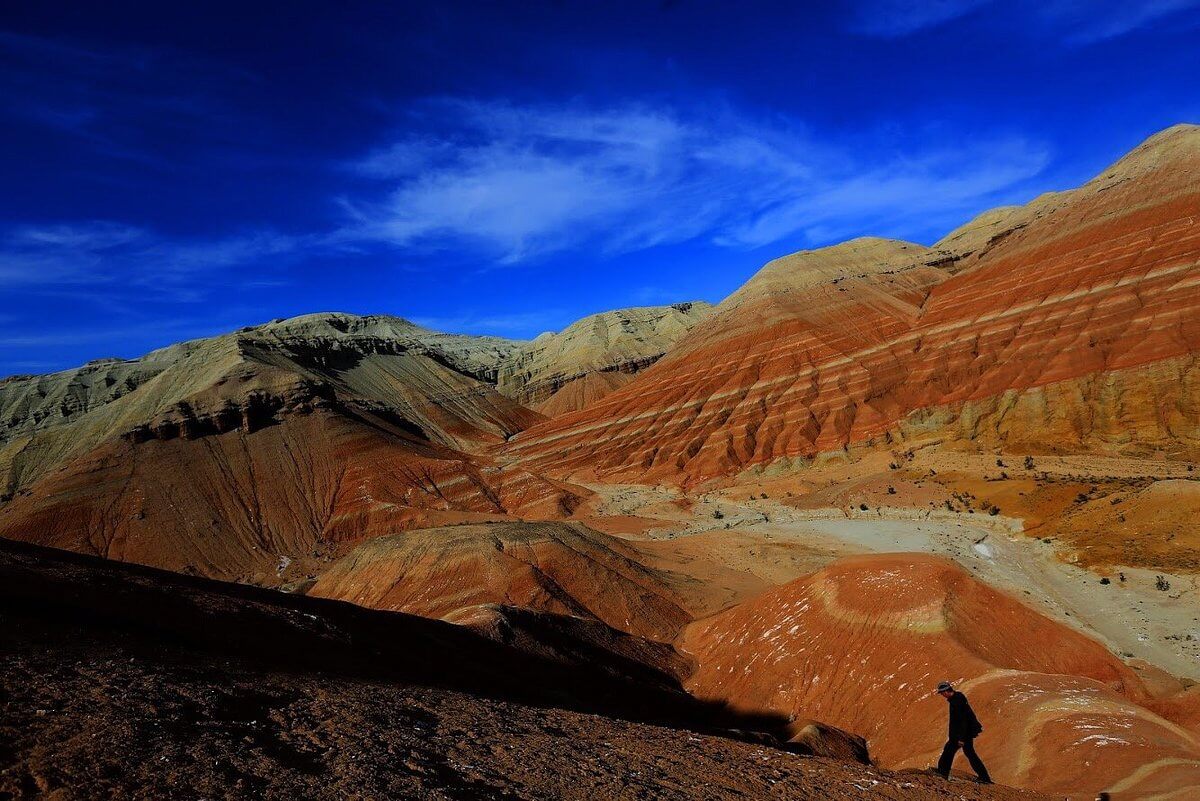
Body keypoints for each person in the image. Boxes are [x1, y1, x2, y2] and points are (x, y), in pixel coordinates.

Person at [934, 681, 992, 784]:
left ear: (947, 691)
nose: (942, 695)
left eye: (942, 693)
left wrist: (961, 738)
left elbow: (963, 721)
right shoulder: (957, 698)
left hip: (962, 734)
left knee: (949, 750)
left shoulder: (957, 702)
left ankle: (942, 773)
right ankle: (984, 778)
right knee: (969, 753)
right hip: (965, 733)